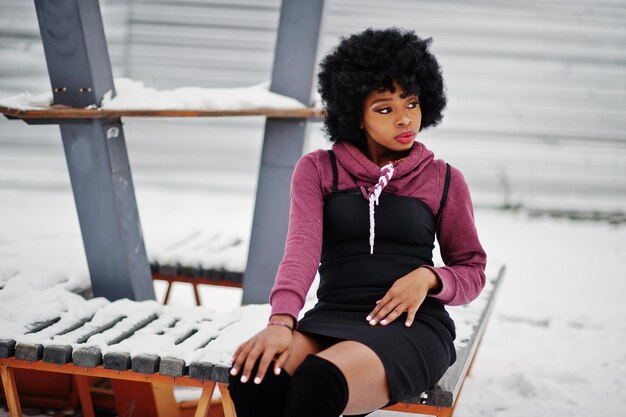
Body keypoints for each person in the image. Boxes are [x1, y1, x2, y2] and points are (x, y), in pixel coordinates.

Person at [228, 27, 487, 417]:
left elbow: (472, 269)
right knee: (256, 374)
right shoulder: (318, 169)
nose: (404, 119)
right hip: (333, 315)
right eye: (385, 108)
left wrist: (429, 278)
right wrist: (281, 320)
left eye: (412, 104)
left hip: (412, 326)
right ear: (357, 117)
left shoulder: (444, 178)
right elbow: (301, 250)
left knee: (321, 382)